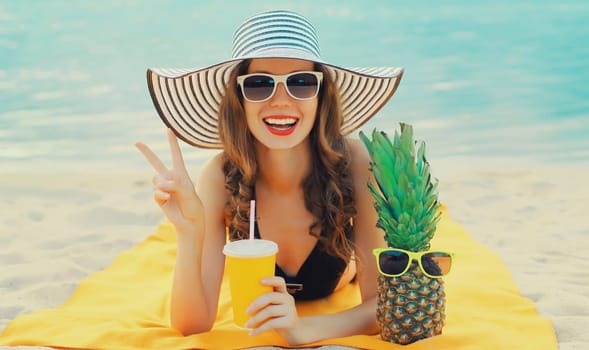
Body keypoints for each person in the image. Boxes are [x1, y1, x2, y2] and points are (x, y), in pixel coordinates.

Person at [135, 9, 403, 345]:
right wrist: (189, 231)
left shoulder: (356, 163)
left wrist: (303, 330)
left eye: (301, 83)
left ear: (321, 97)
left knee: (353, 269)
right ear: (239, 99)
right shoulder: (219, 175)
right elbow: (193, 325)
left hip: (338, 276)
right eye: (259, 84)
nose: (280, 101)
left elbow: (384, 305)